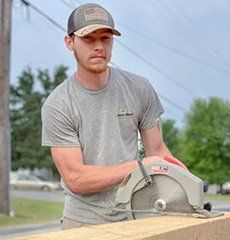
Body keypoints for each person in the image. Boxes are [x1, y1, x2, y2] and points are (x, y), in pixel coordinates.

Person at [41, 2, 171, 229]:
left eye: (105, 38)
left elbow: (158, 152)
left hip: (135, 217)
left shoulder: (139, 88)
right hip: (82, 223)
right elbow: (76, 179)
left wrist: (188, 190)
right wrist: (141, 167)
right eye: (89, 39)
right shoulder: (58, 104)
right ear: (69, 42)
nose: (98, 46)